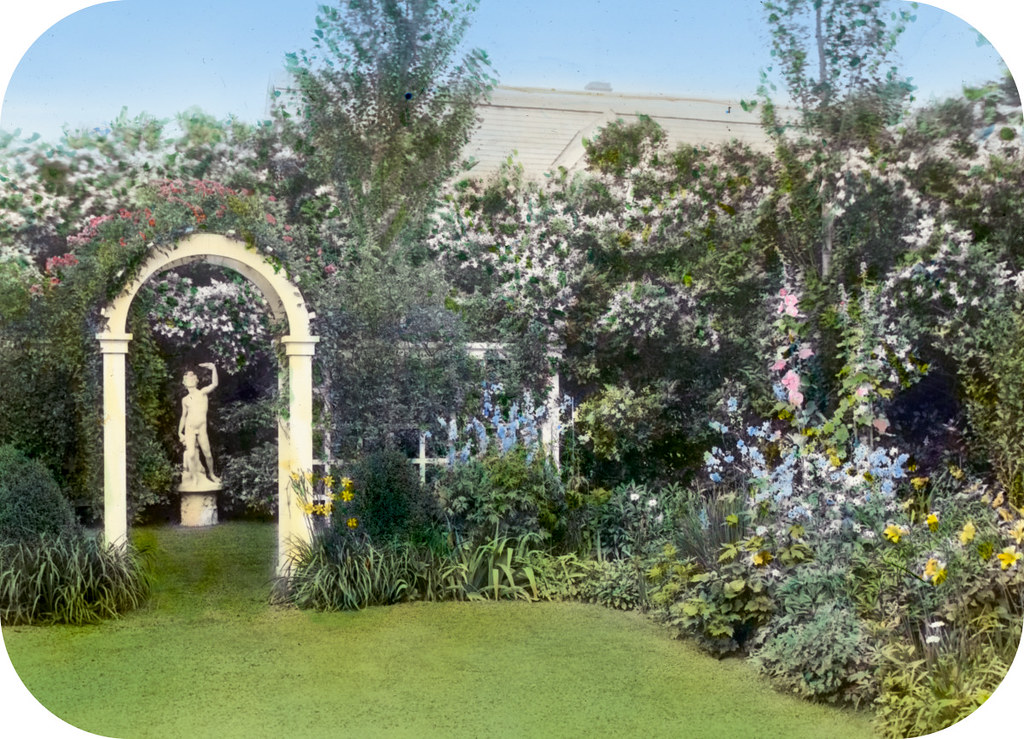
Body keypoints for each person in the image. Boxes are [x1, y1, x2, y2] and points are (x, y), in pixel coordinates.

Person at [178, 362, 221, 489]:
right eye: (187, 379)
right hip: (190, 428)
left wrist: (213, 368)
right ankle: (195, 478)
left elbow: (215, 384)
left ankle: (212, 474)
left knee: (207, 454)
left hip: (201, 429)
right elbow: (183, 416)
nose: (190, 380)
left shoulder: (202, 393)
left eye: (192, 378)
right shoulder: (185, 399)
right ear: (184, 383)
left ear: (197, 381)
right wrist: (180, 432)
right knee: (190, 454)